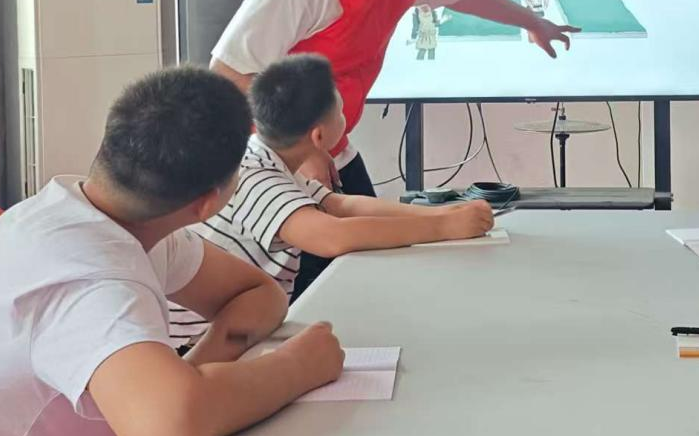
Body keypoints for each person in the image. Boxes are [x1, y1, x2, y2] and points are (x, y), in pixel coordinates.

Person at [0, 67, 343, 436]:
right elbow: (171, 422)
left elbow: (256, 294)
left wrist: (194, 375)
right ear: (208, 203)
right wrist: (297, 366)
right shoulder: (91, 276)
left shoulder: (82, 216)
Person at [211, 0, 576, 292]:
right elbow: (229, 73)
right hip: (280, 158)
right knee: (313, 291)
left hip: (331, 147)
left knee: (371, 272)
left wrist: (533, 22)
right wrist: (300, 150)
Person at [170, 56, 491, 343]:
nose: (346, 120)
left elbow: (340, 206)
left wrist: (443, 214)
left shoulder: (266, 157)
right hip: (199, 342)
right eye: (341, 113)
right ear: (319, 135)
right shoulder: (256, 177)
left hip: (237, 327)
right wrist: (445, 227)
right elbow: (332, 236)